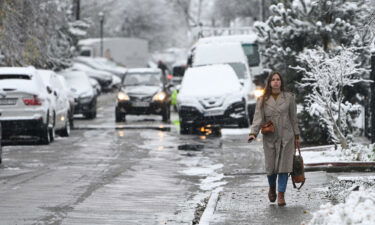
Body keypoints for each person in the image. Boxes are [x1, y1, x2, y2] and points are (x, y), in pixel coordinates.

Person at [248, 71, 300, 206]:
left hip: (286, 137)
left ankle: (281, 195)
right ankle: (272, 188)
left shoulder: (289, 97)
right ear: (269, 82)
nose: (276, 82)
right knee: (271, 167)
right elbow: (258, 118)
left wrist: (296, 135)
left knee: (284, 166)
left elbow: (293, 118)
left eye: (278, 79)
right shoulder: (263, 99)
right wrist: (253, 133)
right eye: (273, 80)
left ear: (281, 82)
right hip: (270, 137)